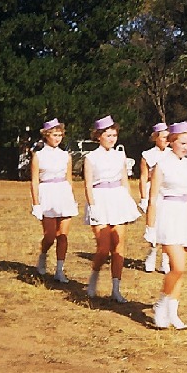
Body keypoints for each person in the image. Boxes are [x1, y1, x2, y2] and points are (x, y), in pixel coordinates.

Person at [145, 121, 187, 329]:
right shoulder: (161, 165)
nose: (185, 147)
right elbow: (153, 198)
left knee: (180, 270)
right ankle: (161, 304)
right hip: (168, 215)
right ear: (172, 142)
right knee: (178, 267)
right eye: (182, 143)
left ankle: (172, 313)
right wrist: (150, 226)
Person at [83, 115, 141, 302]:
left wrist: (129, 201)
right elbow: (88, 185)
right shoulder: (90, 158)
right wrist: (92, 207)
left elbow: (124, 179)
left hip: (118, 199)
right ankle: (94, 276)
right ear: (98, 136)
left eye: (114, 135)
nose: (111, 138)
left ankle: (116, 288)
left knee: (118, 247)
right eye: (108, 135)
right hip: (100, 200)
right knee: (103, 248)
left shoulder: (120, 155)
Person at [30, 118, 79, 282]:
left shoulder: (66, 156)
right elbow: (35, 180)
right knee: (50, 235)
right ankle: (43, 254)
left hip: (63, 193)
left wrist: (72, 198)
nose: (58, 138)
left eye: (60, 135)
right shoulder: (38, 156)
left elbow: (69, 178)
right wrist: (36, 203)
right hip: (47, 193)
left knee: (63, 235)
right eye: (54, 135)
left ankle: (59, 269)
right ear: (46, 136)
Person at [139, 122, 171, 273]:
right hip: (153, 191)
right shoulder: (148, 155)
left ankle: (165, 259)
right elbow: (143, 177)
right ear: (156, 138)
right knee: (154, 225)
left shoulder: (172, 154)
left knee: (168, 226)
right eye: (164, 137)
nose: (166, 140)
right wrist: (144, 198)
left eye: (168, 137)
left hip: (168, 192)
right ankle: (152, 253)